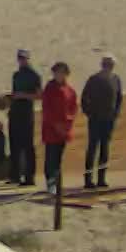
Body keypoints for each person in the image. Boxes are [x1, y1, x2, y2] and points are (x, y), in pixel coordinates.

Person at [80, 56, 123, 189]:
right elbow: (84, 98)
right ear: (102, 65)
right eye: (106, 64)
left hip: (108, 120)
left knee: (105, 149)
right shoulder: (93, 79)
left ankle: (101, 179)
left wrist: (115, 114)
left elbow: (119, 98)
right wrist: (89, 113)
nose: (108, 67)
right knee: (92, 148)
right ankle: (88, 180)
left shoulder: (116, 79)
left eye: (110, 65)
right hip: (95, 119)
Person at [40, 62, 79, 194]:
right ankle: (50, 183)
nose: (59, 75)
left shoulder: (70, 91)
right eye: (57, 72)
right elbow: (46, 110)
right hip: (51, 129)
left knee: (58, 157)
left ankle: (57, 182)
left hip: (63, 130)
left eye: (62, 72)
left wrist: (67, 125)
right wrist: (56, 125)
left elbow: (73, 109)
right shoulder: (49, 88)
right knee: (50, 157)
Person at [8, 50, 43, 186]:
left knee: (27, 145)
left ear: (28, 59)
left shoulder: (34, 75)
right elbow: (14, 92)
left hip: (27, 112)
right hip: (15, 111)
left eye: (23, 58)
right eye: (19, 58)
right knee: (14, 144)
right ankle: (15, 175)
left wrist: (23, 95)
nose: (21, 60)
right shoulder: (16, 75)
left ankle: (30, 177)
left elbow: (40, 96)